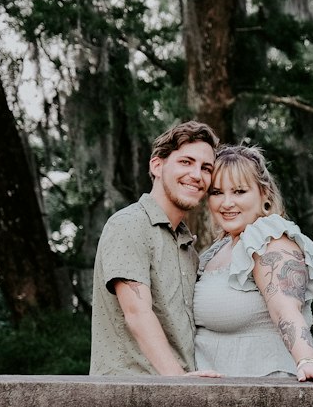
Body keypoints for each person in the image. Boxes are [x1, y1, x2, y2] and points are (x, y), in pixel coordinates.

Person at [194, 144, 313, 391]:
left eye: (239, 191)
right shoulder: (216, 251)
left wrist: (307, 360)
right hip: (218, 400)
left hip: (266, 393)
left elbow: (285, 308)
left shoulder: (269, 239)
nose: (227, 202)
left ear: (264, 195)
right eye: (217, 192)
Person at [90, 119, 219, 376]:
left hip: (178, 398)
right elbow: (137, 312)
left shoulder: (187, 247)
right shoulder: (128, 225)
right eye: (186, 162)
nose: (196, 175)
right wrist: (179, 381)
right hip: (129, 398)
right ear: (157, 165)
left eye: (206, 168)